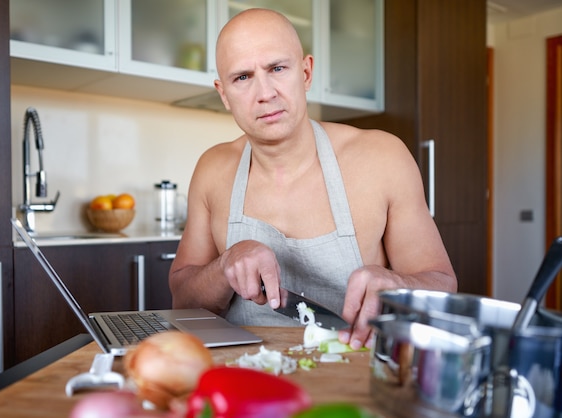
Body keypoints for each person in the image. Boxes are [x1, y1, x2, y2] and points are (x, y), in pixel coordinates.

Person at [169, 8, 457, 350]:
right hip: (242, 380)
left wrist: (394, 282)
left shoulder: (383, 157)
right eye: (243, 77)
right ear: (224, 94)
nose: (265, 93)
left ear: (305, 73)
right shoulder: (212, 169)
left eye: (277, 68)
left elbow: (442, 282)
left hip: (353, 377)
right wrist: (225, 265)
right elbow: (183, 304)